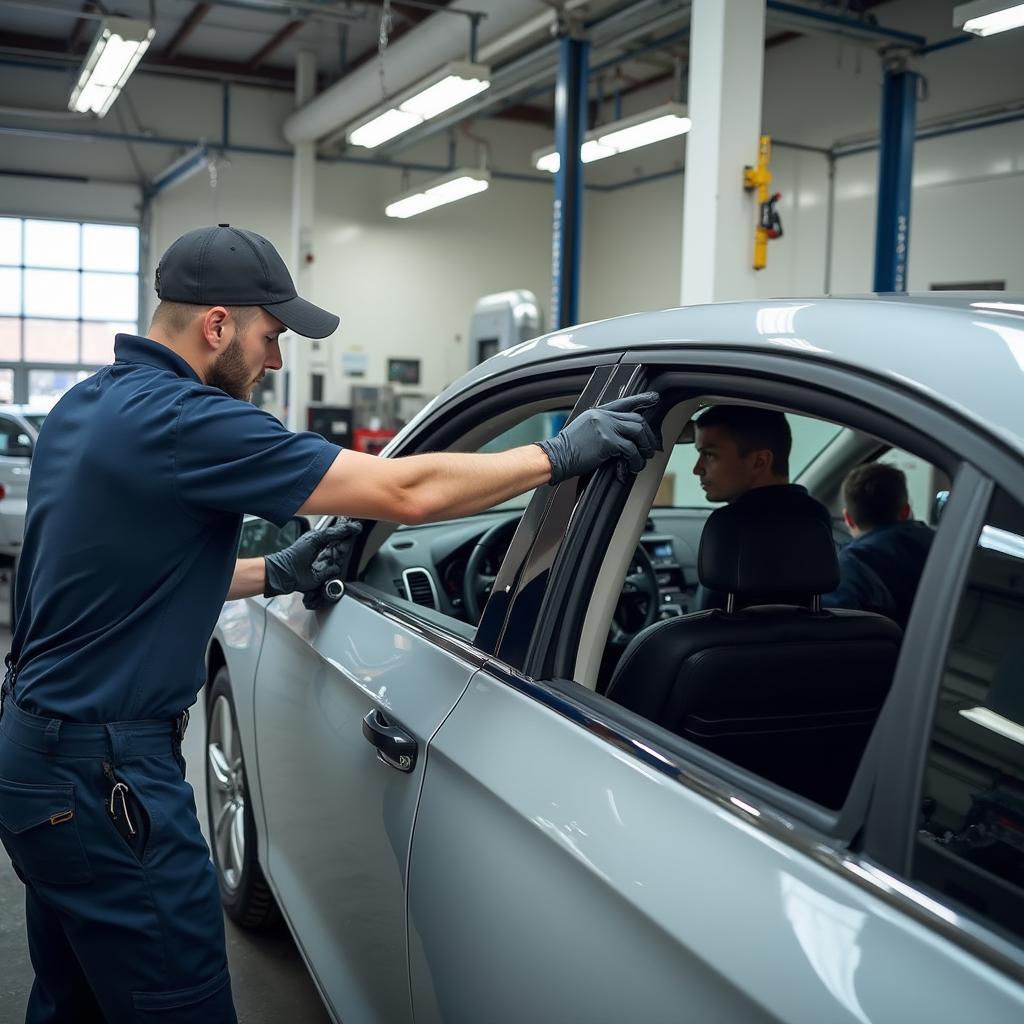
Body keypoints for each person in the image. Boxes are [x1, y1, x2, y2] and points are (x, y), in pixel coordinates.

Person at [0, 223, 659, 1024]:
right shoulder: (187, 420)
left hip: (40, 760)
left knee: (72, 1003)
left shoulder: (87, 405)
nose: (275, 360)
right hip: (109, 776)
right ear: (218, 326)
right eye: (271, 336)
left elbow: (119, 582)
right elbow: (404, 493)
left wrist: (273, 573)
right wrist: (557, 457)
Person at [691, 405, 832, 610]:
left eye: (710, 455)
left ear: (759, 461)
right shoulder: (816, 517)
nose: (697, 469)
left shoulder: (727, 525)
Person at [823, 462, 934, 628]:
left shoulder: (851, 565)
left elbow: (829, 631)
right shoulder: (940, 545)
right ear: (905, 511)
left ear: (848, 518)